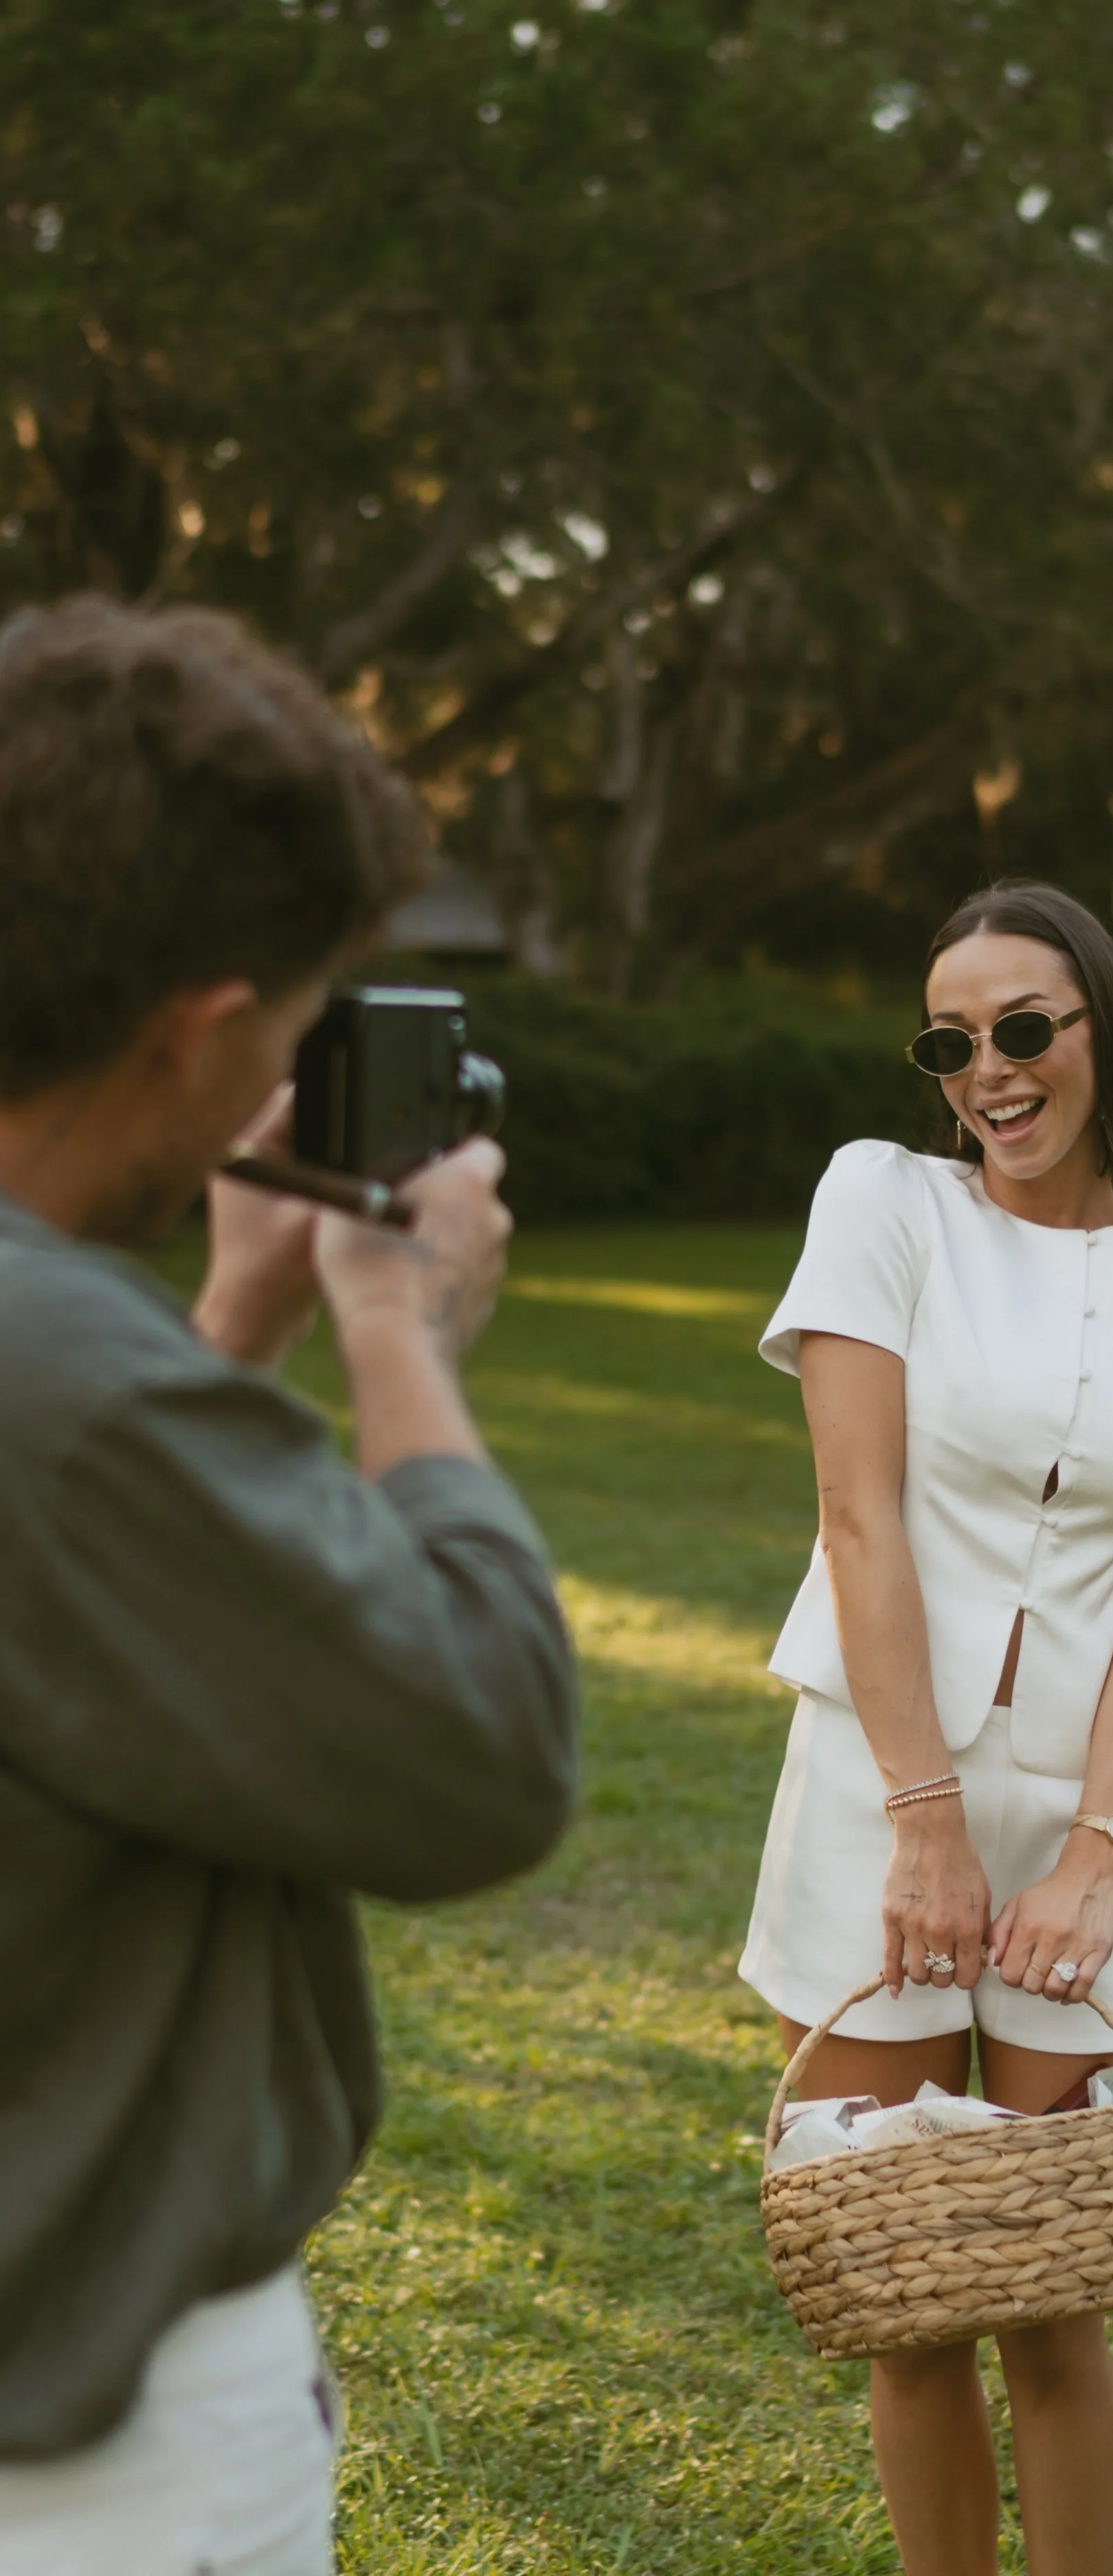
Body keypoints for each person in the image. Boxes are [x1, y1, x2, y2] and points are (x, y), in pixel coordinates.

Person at [0, 598, 578, 2575]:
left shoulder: (72, 1383)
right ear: (193, 1025)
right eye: (285, 1018)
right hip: (92, 2445)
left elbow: (70, 1614)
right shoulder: (62, 1386)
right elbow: (482, 1741)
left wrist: (227, 1316)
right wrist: (399, 1332)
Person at [740, 880, 1113, 2576]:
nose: (988, 1067)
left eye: (1023, 1026)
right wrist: (920, 1823)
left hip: (1086, 1827)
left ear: (1098, 1029)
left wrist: (1092, 1855)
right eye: (950, 1039)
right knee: (909, 2283)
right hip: (870, 1798)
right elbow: (858, 1518)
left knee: (1049, 2298)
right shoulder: (880, 1203)